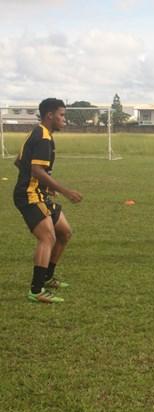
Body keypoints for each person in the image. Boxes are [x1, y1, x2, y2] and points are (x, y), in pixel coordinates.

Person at [14, 98, 83, 303]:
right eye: (62, 115)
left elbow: (19, 162)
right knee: (48, 238)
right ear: (49, 115)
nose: (64, 119)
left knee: (64, 233)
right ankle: (36, 291)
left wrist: (45, 187)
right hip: (29, 195)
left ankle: (47, 277)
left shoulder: (39, 133)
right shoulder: (43, 137)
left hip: (39, 193)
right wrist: (65, 190)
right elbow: (36, 169)